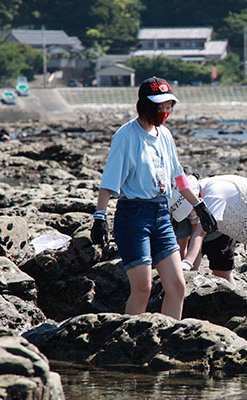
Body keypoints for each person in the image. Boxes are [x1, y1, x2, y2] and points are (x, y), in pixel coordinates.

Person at [90, 76, 217, 320]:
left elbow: (178, 177)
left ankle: (168, 336)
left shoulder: (166, 136)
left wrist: (199, 206)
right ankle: (130, 339)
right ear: (146, 106)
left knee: (178, 287)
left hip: (161, 216)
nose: (166, 111)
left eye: (169, 106)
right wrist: (100, 215)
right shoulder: (126, 136)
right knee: (143, 288)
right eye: (161, 107)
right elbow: (109, 181)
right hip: (133, 217)